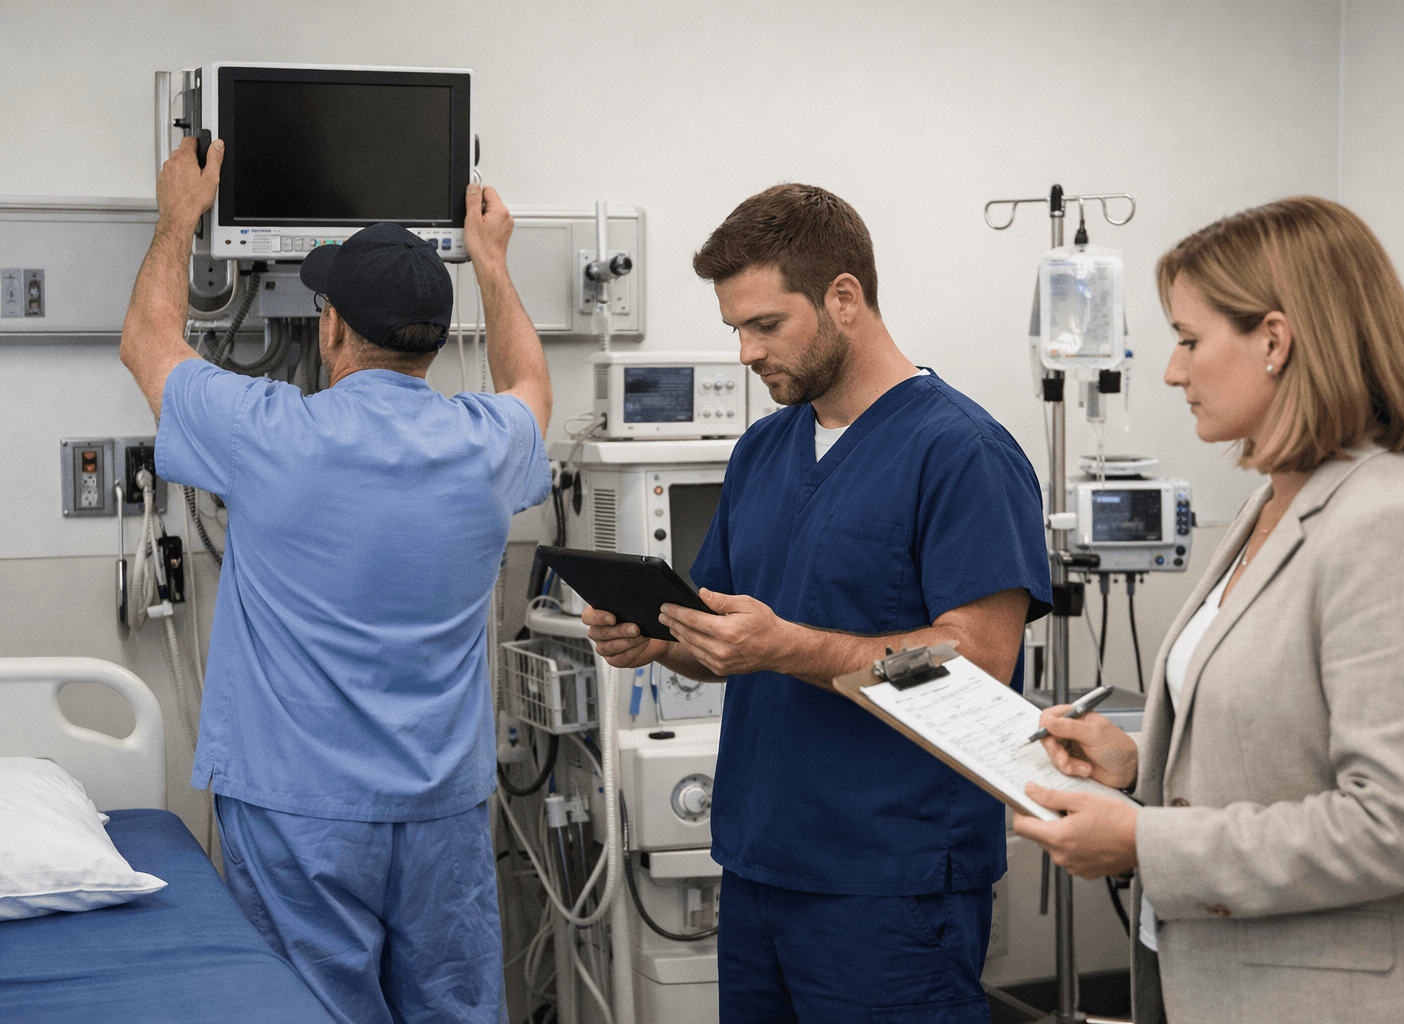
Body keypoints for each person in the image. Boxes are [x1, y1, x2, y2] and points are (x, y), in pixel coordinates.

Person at [1011, 196, 1404, 1024]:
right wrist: (1137, 766)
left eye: (1188, 341)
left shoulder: (1391, 526)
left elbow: (1399, 826)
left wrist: (1144, 843)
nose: (1171, 371)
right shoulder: (1273, 507)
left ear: (1275, 340)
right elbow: (1281, 735)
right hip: (1219, 980)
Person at [583, 183, 1053, 1023]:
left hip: (891, 883)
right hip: (763, 866)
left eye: (765, 325)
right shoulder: (766, 447)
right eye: (735, 329)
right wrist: (664, 640)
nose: (745, 353)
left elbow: (976, 662)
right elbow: (736, 638)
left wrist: (788, 646)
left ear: (844, 299)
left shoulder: (961, 453)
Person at [119, 136, 553, 1024]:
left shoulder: (266, 433)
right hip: (441, 811)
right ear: (431, 345)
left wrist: (178, 219)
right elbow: (530, 380)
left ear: (332, 329)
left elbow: (147, 342)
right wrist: (494, 266)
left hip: (297, 811)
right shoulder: (489, 447)